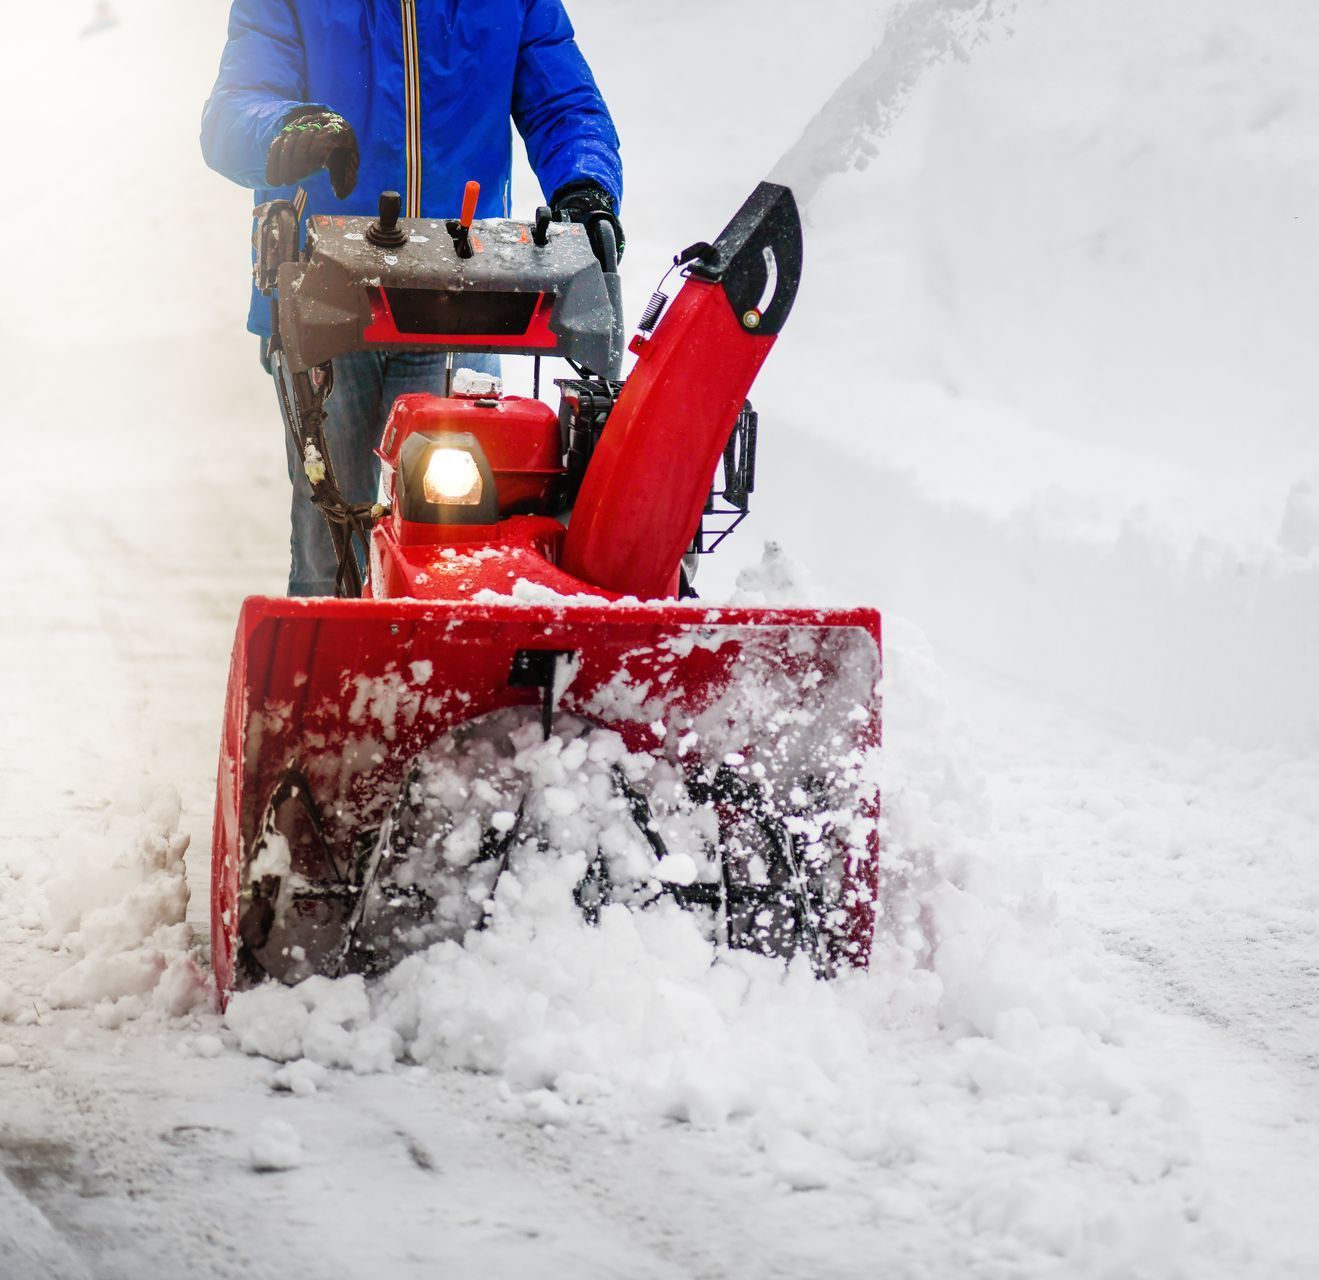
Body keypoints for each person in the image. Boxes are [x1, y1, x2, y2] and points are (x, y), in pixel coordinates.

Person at [200, 0, 623, 596]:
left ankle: (439, 681)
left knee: (458, 545)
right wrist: (287, 128)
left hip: (466, 302)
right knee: (332, 551)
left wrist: (586, 186)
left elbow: (565, 107)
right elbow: (234, 110)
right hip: (324, 299)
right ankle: (331, 684)